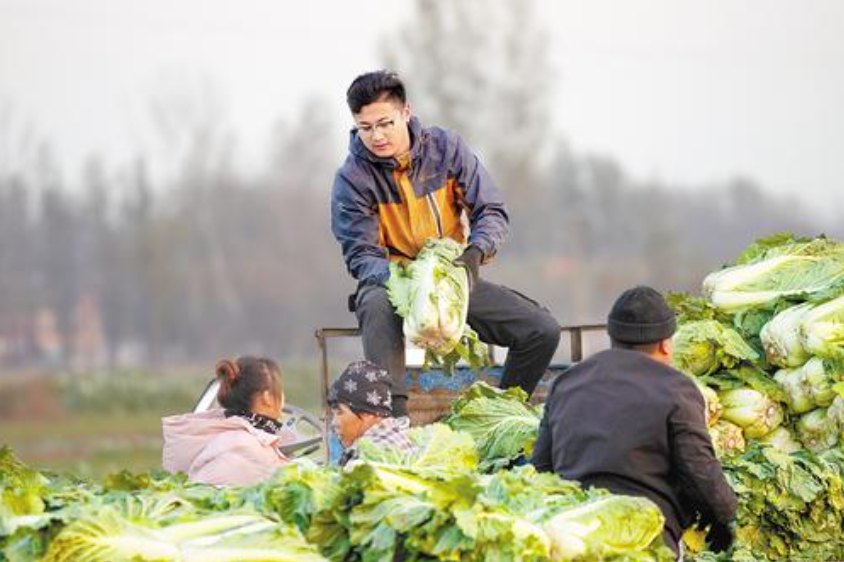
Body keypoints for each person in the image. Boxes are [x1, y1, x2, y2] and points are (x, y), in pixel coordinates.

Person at [331, 70, 561, 417]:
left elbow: (491, 210)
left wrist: (475, 253)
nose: (376, 136)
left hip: (451, 275)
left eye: (385, 123)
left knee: (541, 331)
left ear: (406, 112)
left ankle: (499, 415)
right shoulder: (352, 178)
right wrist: (405, 284)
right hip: (388, 281)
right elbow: (360, 252)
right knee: (375, 303)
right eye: (365, 128)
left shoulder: (447, 150)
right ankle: (395, 424)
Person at [531, 286, 737, 558]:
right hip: (643, 539)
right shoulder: (676, 388)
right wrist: (724, 517)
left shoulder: (567, 381)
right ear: (665, 343)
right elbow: (699, 470)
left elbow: (541, 467)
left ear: (612, 338)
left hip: (576, 535)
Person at [162, 356, 293, 486]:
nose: (283, 399)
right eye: (281, 391)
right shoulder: (247, 448)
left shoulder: (220, 428)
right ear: (267, 397)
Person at [328, 360, 415, 466]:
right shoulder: (398, 435)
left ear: (367, 413)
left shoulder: (367, 459)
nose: (333, 423)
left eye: (339, 413)